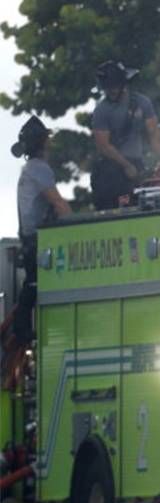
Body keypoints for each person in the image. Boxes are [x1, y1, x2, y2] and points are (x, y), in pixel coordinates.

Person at [10, 116, 70, 344]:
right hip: (38, 240)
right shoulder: (39, 169)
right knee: (36, 285)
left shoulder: (30, 169)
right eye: (47, 139)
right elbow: (59, 204)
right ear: (42, 143)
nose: (51, 143)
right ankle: (22, 332)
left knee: (33, 285)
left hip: (30, 238)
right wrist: (81, 227)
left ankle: (23, 330)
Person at [89, 60, 160, 210]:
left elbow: (153, 133)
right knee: (112, 208)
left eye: (114, 86)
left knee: (142, 204)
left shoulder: (142, 103)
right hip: (111, 170)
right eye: (108, 88)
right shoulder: (101, 110)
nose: (111, 91)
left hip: (137, 164)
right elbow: (103, 146)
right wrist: (126, 165)